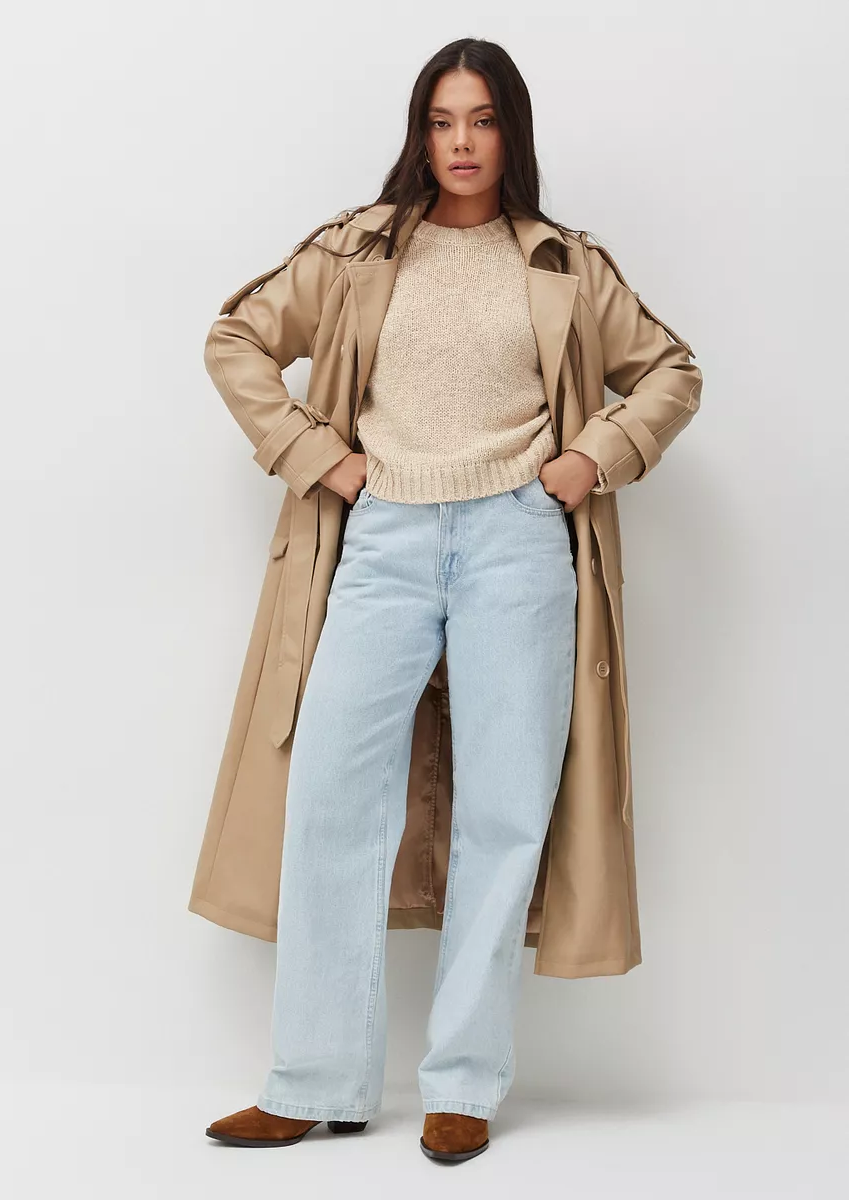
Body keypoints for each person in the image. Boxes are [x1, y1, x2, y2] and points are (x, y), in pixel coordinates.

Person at [202, 37, 701, 1164]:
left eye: (482, 120)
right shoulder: (358, 249)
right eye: (442, 121)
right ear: (419, 134)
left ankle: (464, 1084)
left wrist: (589, 460)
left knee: (504, 814)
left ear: (511, 132)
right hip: (382, 535)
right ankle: (315, 1079)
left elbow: (671, 370)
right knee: (331, 797)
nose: (462, 142)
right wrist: (320, 456)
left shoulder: (565, 263)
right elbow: (236, 339)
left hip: (518, 543)